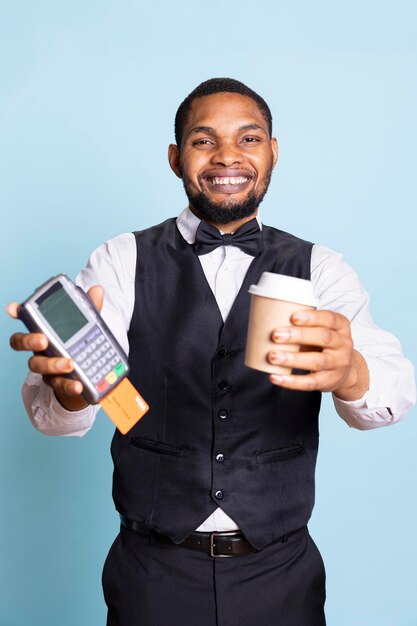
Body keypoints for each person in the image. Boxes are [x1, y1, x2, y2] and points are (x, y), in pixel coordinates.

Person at [8, 78, 415, 626]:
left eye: (249, 139)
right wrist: (70, 391)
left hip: (282, 573)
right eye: (204, 141)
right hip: (151, 574)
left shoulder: (323, 267)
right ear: (176, 159)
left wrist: (352, 372)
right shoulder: (120, 260)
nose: (228, 155)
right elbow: (58, 421)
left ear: (273, 152)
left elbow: (390, 396)